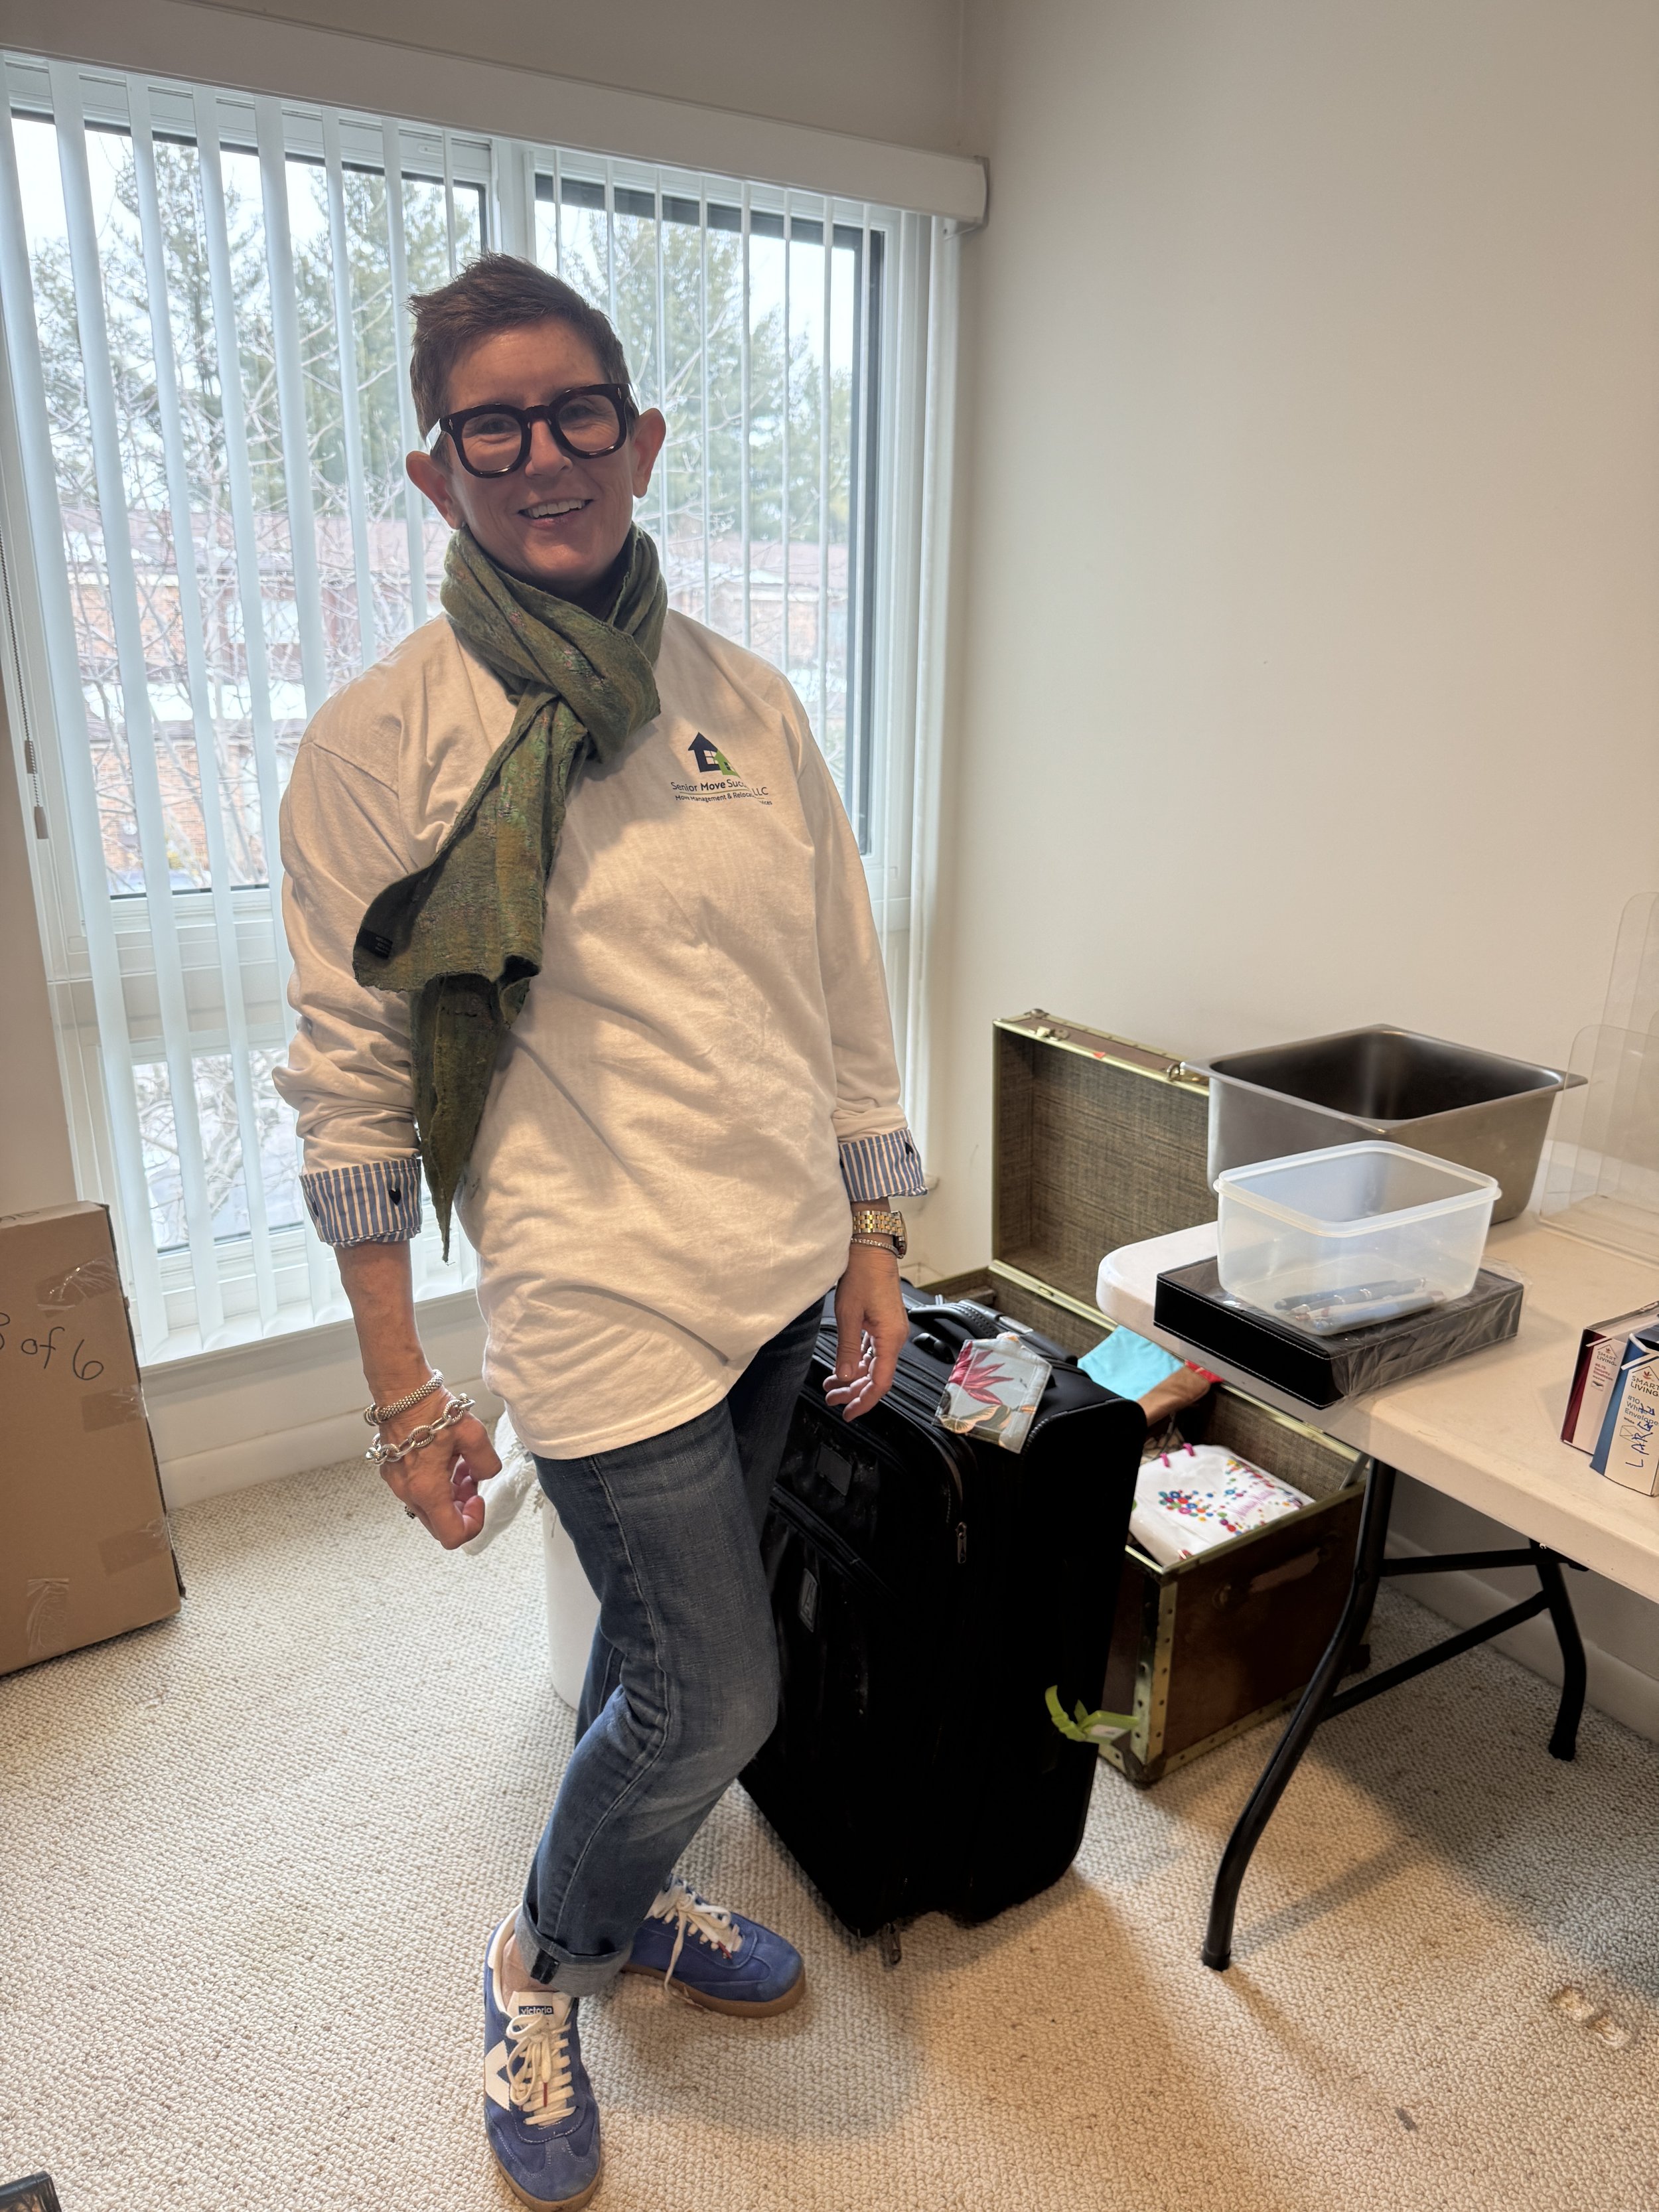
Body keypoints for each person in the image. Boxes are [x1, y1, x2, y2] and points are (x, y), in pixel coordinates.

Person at [273, 253, 926, 2211]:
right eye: (495, 425)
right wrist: (403, 1397)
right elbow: (350, 1078)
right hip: (592, 1296)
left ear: (638, 439)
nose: (541, 457)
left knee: (653, 1657)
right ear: (434, 469)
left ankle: (623, 1896)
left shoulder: (744, 698)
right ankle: (538, 1958)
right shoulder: (378, 744)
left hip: (768, 1270)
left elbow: (834, 979)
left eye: (577, 416)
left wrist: (871, 1236)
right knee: (719, 1692)